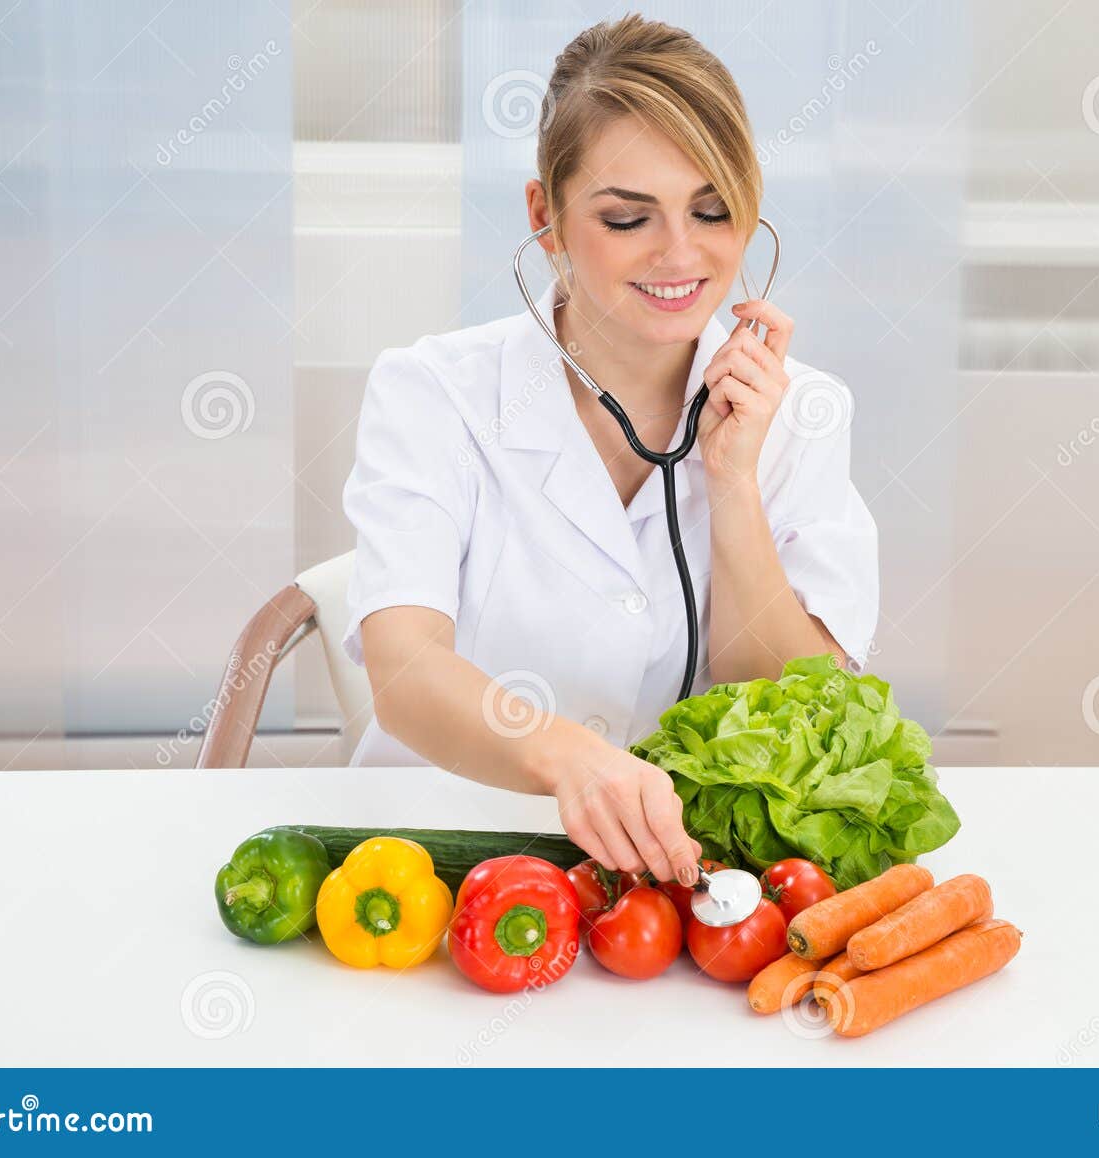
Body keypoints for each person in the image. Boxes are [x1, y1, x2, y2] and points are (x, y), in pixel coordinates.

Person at [340, 13, 878, 889]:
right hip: (437, 865)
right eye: (629, 218)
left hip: (669, 892)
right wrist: (570, 759)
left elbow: (797, 702)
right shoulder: (434, 391)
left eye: (712, 210)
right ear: (544, 218)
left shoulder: (802, 408)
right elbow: (404, 670)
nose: (681, 254)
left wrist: (733, 481)